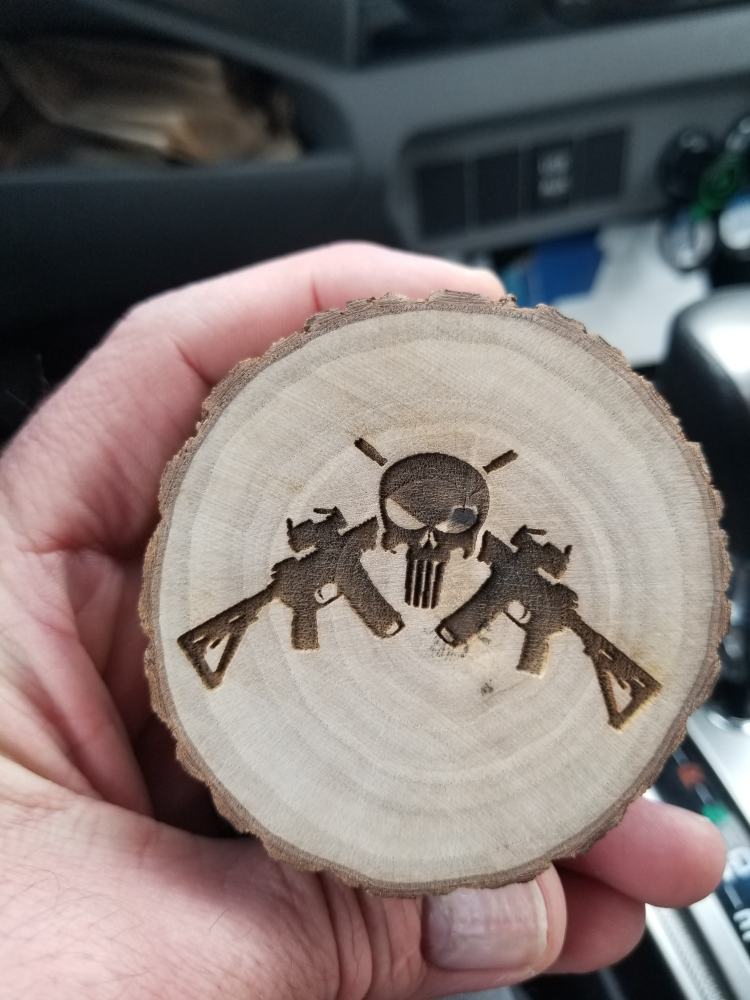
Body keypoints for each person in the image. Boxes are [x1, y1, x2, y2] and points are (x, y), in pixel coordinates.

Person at [0, 243, 724, 998]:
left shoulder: (489, 566)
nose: (430, 549)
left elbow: (438, 606)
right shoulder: (350, 558)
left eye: (454, 530)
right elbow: (376, 610)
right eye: (411, 526)